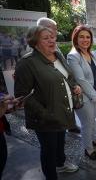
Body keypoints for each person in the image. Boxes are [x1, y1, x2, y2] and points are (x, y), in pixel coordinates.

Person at [14, 26, 81, 180]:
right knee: (49, 150)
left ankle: (61, 164)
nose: (52, 40)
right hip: (45, 118)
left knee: (59, 144)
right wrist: (46, 114)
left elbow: (68, 76)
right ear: (35, 42)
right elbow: (22, 95)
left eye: (52, 37)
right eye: (46, 38)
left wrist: (74, 86)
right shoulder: (27, 63)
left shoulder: (58, 55)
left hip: (63, 111)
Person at [67, 26, 96, 161]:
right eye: (81, 37)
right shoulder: (73, 56)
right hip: (84, 97)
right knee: (87, 123)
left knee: (93, 120)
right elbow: (81, 80)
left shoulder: (92, 54)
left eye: (87, 37)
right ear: (75, 38)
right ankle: (88, 149)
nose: (85, 40)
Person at [37, 17, 81, 134]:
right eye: (54, 29)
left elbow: (63, 66)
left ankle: (70, 125)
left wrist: (73, 83)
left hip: (62, 93)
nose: (56, 32)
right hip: (49, 106)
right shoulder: (33, 53)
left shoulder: (54, 46)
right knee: (51, 147)